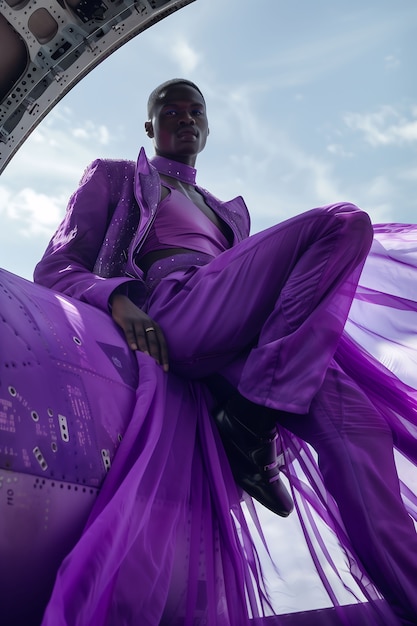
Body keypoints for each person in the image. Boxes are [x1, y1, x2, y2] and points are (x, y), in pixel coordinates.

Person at [34, 78, 417, 626]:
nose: (186, 119)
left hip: (247, 336)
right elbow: (55, 267)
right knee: (342, 223)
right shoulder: (117, 176)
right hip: (176, 311)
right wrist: (117, 300)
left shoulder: (228, 214)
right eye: (171, 111)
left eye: (196, 112)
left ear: (208, 127)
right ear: (150, 126)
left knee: (360, 430)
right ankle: (254, 417)